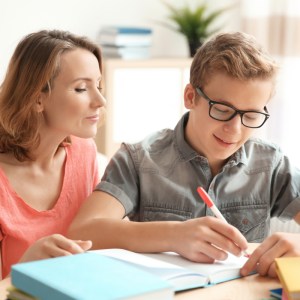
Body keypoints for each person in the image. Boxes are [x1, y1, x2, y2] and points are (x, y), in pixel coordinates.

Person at [67, 32, 300, 278]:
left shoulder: (271, 163)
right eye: (221, 110)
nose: (235, 129)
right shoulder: (138, 159)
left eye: (251, 116)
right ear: (191, 97)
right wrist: (173, 236)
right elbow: (83, 231)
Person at [0, 29, 106, 279]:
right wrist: (25, 269)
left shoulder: (84, 152)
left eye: (99, 85)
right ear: (37, 98)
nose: (100, 100)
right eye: (81, 88)